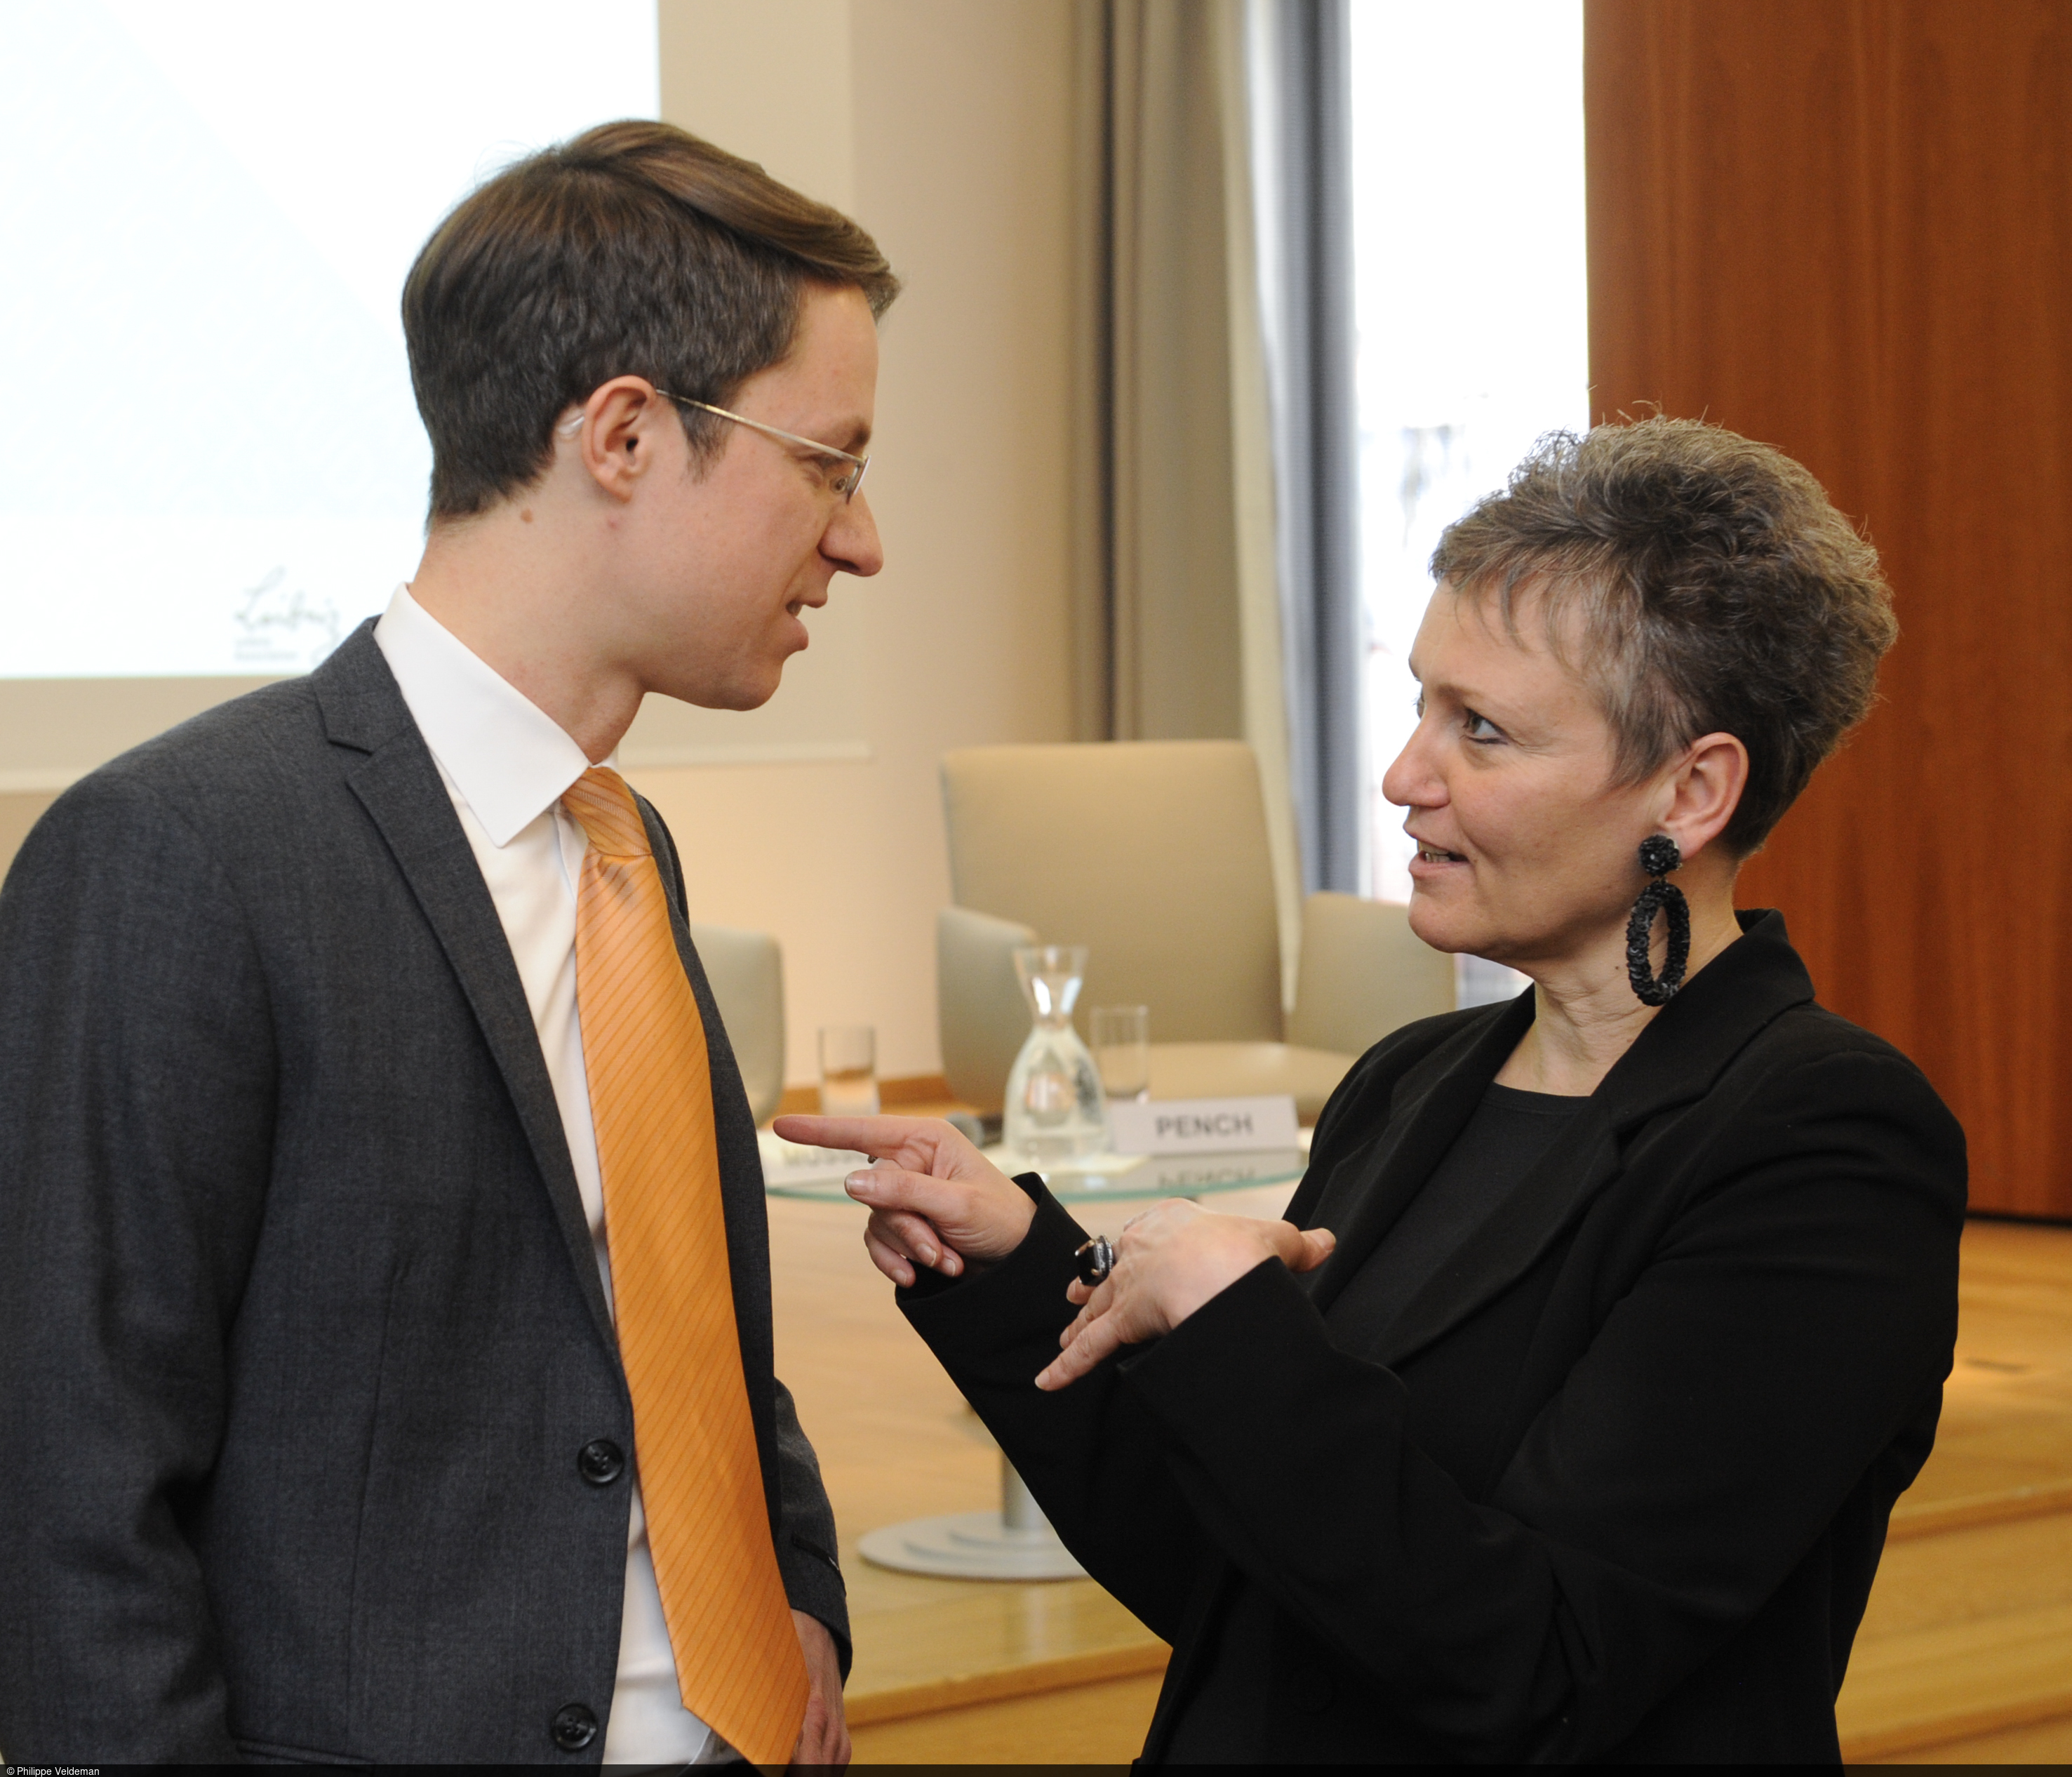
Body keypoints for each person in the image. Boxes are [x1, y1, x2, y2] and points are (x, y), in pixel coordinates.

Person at [782, 418, 1967, 1763]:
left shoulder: (1824, 1144)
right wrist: (1009, 1263)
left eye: (1482, 731)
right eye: (1418, 706)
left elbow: (1534, 1666)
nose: (1405, 776)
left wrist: (1235, 1321)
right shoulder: (1412, 1082)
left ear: (1691, 791)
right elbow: (1235, 1576)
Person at [0, 121, 893, 1766]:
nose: (860, 539)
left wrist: (805, 1601)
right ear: (624, 435)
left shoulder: (627, 851)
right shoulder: (174, 857)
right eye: (829, 465)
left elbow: (679, 1325)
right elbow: (68, 1499)